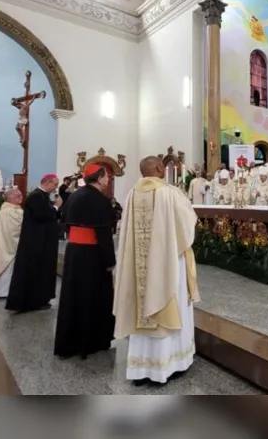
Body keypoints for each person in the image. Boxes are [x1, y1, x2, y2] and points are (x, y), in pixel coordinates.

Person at [114, 156, 200, 384]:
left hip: (140, 266)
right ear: (159, 168)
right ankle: (172, 363)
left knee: (141, 308)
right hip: (168, 263)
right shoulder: (170, 193)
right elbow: (188, 224)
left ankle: (142, 369)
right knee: (171, 301)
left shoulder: (132, 194)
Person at [55, 165, 117, 359]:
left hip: (75, 251)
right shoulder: (100, 200)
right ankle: (91, 341)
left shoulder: (75, 195)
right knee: (92, 295)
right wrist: (110, 259)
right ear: (98, 179)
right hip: (93, 253)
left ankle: (70, 341)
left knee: (74, 295)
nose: (108, 179)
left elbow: (64, 219)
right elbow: (103, 233)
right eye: (106, 176)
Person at [6, 174, 61, 313]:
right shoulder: (36, 196)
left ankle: (40, 299)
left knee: (42, 270)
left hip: (42, 241)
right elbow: (42, 215)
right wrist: (56, 207)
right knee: (34, 270)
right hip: (35, 242)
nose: (56, 187)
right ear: (47, 182)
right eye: (55, 184)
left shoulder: (42, 196)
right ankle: (30, 302)